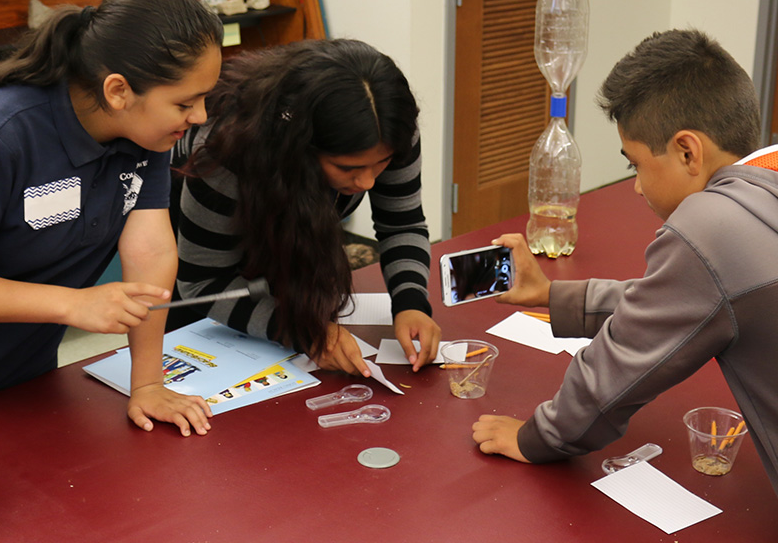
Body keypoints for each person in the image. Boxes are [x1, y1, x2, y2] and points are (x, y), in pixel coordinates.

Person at [471, 29, 778, 496]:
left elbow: (614, 374)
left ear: (687, 151)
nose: (635, 186)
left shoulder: (711, 223)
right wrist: (553, 296)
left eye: (634, 164)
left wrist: (538, 437)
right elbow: (684, 301)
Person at [0, 0, 223, 437]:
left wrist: (148, 383)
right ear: (117, 91)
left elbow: (150, 256)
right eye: (186, 102)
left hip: (22, 385)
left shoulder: (144, 135)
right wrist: (70, 304)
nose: (200, 117)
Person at [172, 38, 441, 376]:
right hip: (199, 271)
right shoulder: (225, 155)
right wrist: (303, 331)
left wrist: (411, 303)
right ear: (301, 148)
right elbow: (202, 285)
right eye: (347, 169)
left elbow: (401, 223)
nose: (368, 182)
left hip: (282, 248)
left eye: (382, 163)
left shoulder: (389, 132)